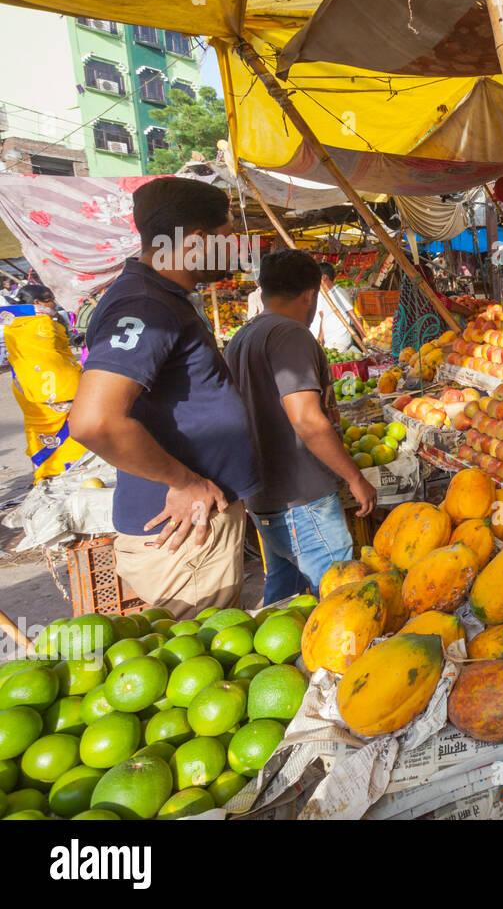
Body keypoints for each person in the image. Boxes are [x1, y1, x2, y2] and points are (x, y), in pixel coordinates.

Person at [69, 177, 259, 617]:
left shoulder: (159, 298)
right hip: (186, 529)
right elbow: (93, 420)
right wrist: (184, 482)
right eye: (227, 238)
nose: (234, 249)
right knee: (209, 656)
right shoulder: (145, 306)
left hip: (197, 521)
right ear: (195, 241)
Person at [224, 250, 377, 605]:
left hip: (265, 494)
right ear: (310, 295)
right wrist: (355, 477)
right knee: (339, 597)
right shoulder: (289, 334)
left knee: (284, 592)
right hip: (302, 496)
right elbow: (307, 420)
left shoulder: (241, 338)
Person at [1, 283, 88, 480]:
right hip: (53, 386)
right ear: (37, 302)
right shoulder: (42, 324)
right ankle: (68, 466)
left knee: (38, 429)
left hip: (24, 384)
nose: (53, 304)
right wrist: (79, 379)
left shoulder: (13, 325)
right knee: (72, 424)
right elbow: (50, 359)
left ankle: (45, 470)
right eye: (49, 300)